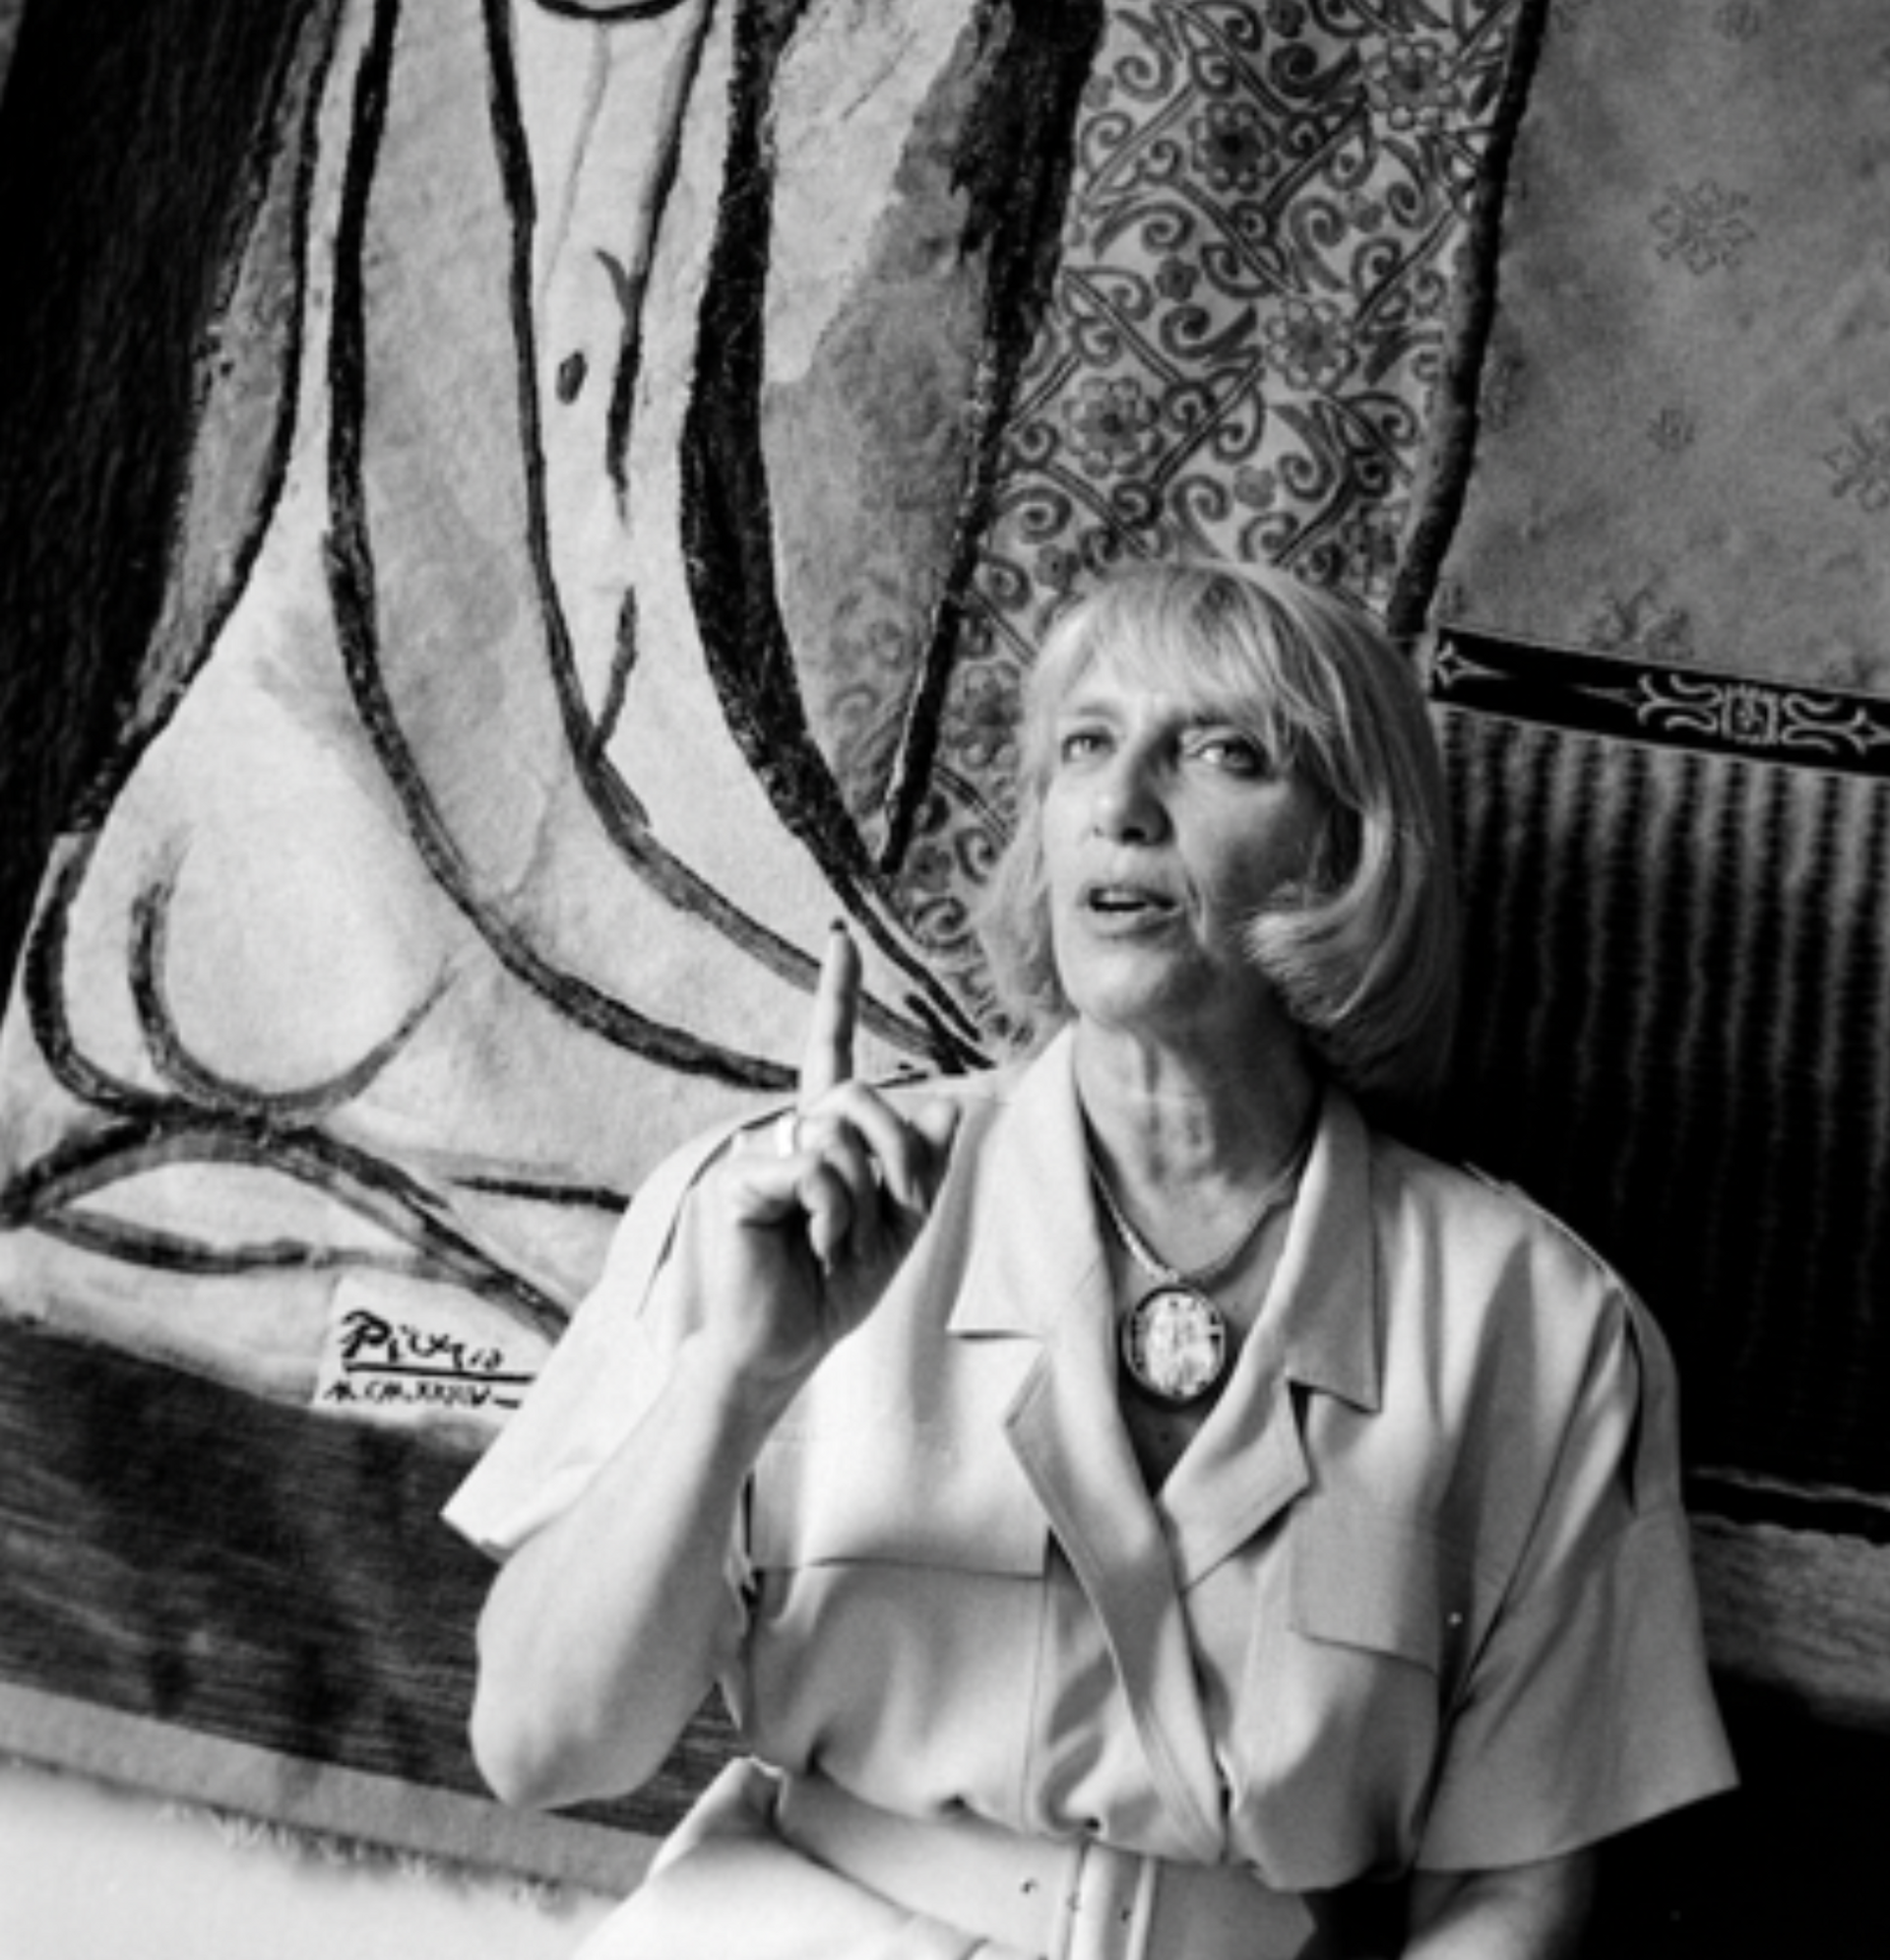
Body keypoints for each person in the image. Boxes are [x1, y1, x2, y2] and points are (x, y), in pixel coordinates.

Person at [445, 560, 1736, 1958]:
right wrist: (734, 1377)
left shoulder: (1541, 1322)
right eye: (1084, 746)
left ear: (1351, 849)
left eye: (1221, 752)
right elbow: (540, 1746)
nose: (1121, 804)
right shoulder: (769, 1203)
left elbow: (1509, 1891)